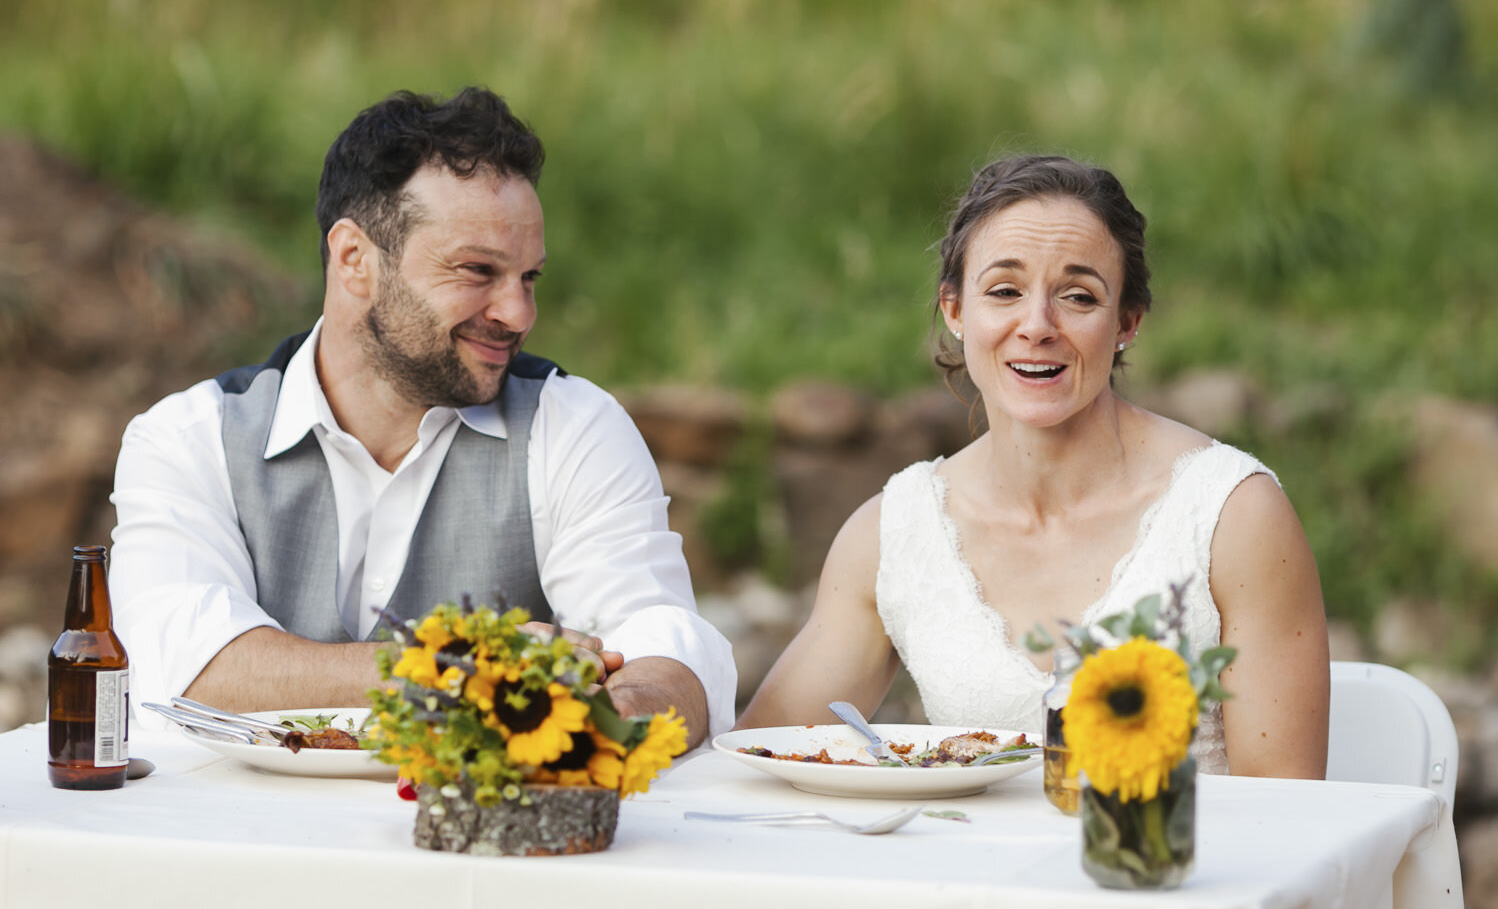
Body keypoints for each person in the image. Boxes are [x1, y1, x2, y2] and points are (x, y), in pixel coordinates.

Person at [109, 87, 733, 745]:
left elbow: (667, 653)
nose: (518, 313)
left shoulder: (574, 426)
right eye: (477, 270)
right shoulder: (188, 437)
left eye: (529, 278)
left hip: (484, 845)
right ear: (354, 259)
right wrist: (463, 669)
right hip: (232, 841)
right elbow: (181, 666)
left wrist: (626, 707)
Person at [739, 154, 1328, 776]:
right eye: (1003, 291)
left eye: (1078, 296)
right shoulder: (896, 532)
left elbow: (1289, 815)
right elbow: (758, 757)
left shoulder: (1233, 516)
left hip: (1173, 867)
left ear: (1126, 322)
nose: (1037, 326)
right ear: (956, 312)